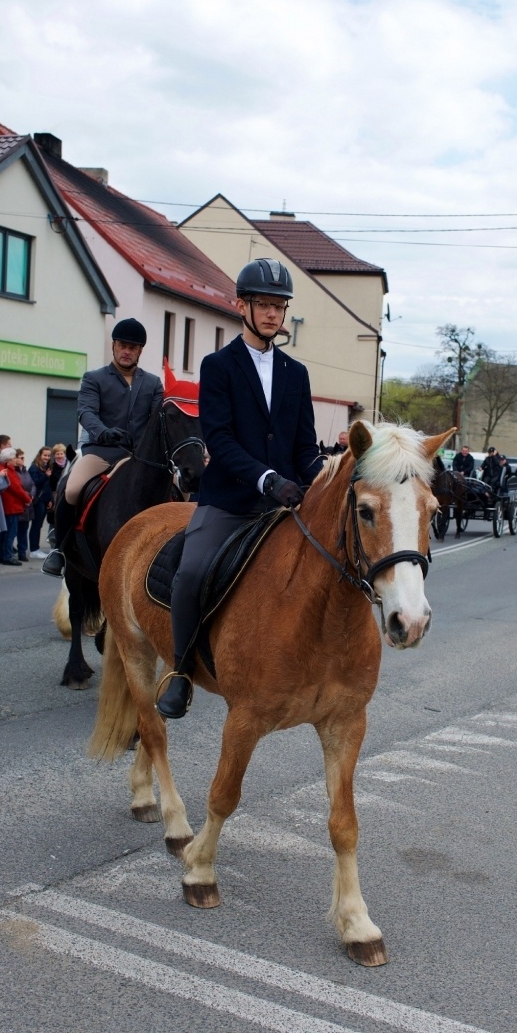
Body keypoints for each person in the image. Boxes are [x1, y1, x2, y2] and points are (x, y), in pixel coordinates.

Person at [159, 257, 323, 718]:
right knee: (190, 574)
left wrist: (324, 474)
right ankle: (179, 671)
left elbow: (306, 447)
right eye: (263, 305)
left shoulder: (296, 373)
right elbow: (221, 440)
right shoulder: (218, 366)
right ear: (242, 306)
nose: (272, 314)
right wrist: (268, 479)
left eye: (279, 306)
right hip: (231, 499)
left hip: (287, 504)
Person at [42, 318, 163, 576]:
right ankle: (60, 551)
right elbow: (86, 411)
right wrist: (104, 433)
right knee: (72, 488)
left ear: (140, 350)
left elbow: (156, 421)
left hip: (138, 457)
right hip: (102, 452)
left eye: (133, 347)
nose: (127, 351)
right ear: (114, 346)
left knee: (179, 493)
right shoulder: (94, 378)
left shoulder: (153, 384)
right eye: (122, 345)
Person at [0, 448, 32, 564]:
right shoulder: (8, 471)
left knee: (6, 532)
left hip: (11, 505)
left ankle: (1, 555)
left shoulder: (6, 469)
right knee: (10, 533)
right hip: (11, 506)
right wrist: (27, 499)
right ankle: (7, 556)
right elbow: (16, 488)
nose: (15, 461)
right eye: (13, 459)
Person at [28, 447, 53, 557]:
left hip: (44, 500)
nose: (47, 458)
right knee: (36, 525)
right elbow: (35, 483)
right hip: (38, 501)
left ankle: (36, 548)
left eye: (48, 456)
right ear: (39, 455)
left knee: (39, 525)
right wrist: (45, 476)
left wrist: (50, 499)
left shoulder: (47, 467)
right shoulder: (34, 468)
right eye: (45, 455)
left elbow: (48, 486)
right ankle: (34, 549)